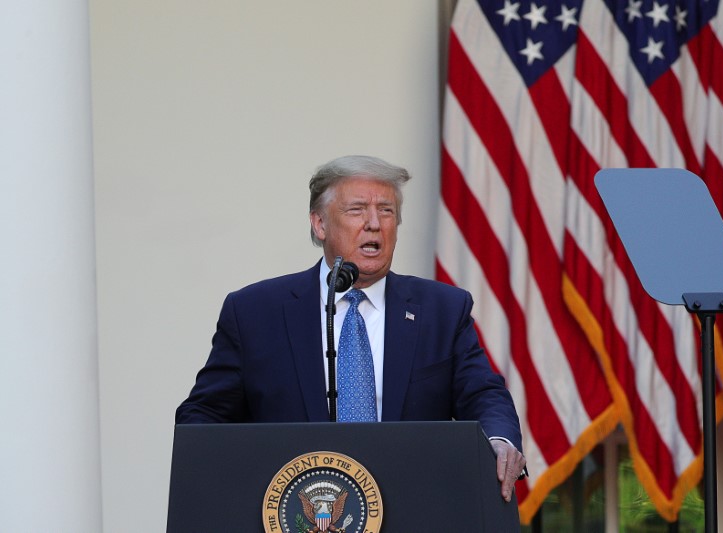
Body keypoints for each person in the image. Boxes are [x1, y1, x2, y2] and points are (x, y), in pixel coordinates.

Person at [176, 155, 526, 502]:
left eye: (386, 211)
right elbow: (203, 415)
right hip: (294, 513)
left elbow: (483, 394)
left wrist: (499, 440)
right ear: (320, 224)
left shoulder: (442, 310)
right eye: (357, 210)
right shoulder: (255, 312)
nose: (374, 223)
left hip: (411, 508)